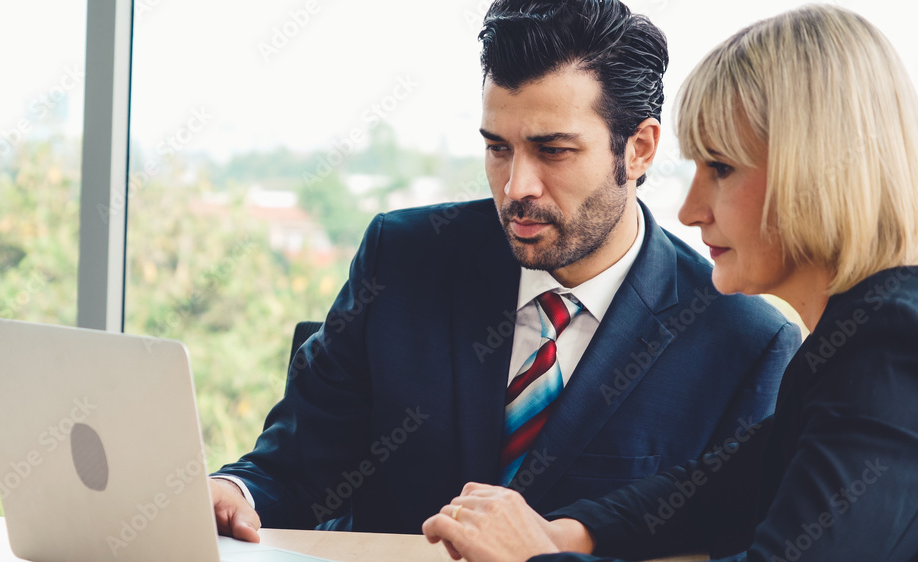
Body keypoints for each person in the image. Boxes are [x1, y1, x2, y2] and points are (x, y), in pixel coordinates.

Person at [209, 0, 800, 542]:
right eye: (498, 148)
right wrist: (234, 493)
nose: (517, 187)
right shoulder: (402, 258)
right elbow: (294, 466)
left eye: (553, 151)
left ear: (639, 149)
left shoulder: (744, 342)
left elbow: (730, 550)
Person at [422, 4, 918, 561]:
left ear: (819, 172)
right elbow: (723, 491)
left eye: (722, 169)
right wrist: (568, 534)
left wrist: (532, 559)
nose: (688, 210)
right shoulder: (852, 339)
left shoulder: (891, 348)